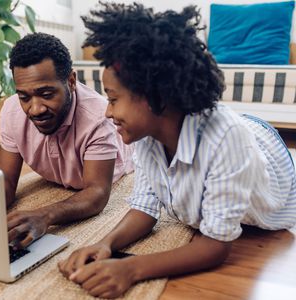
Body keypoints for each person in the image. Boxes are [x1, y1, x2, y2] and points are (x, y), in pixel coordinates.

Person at [58, 3, 296, 298]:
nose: (107, 112)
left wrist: (131, 269)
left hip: (265, 148)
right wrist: (106, 243)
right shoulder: (144, 135)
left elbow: (216, 245)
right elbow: (145, 208)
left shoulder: (228, 139)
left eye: (114, 99)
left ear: (155, 97)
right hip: (224, 131)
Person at [0, 32, 133, 250]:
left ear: (71, 81)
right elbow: (6, 181)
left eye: (47, 94)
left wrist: (45, 214)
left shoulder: (98, 117)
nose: (35, 108)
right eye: (24, 97)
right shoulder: (12, 111)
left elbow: (97, 192)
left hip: (125, 162)